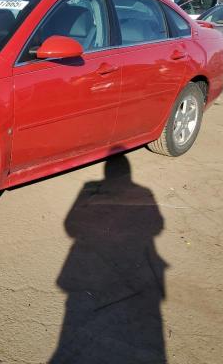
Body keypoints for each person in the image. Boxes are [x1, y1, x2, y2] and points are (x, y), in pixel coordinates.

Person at [50, 154, 168, 363]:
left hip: (88, 269)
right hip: (129, 268)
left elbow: (70, 226)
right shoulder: (143, 192)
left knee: (79, 321)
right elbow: (157, 225)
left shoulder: (90, 188)